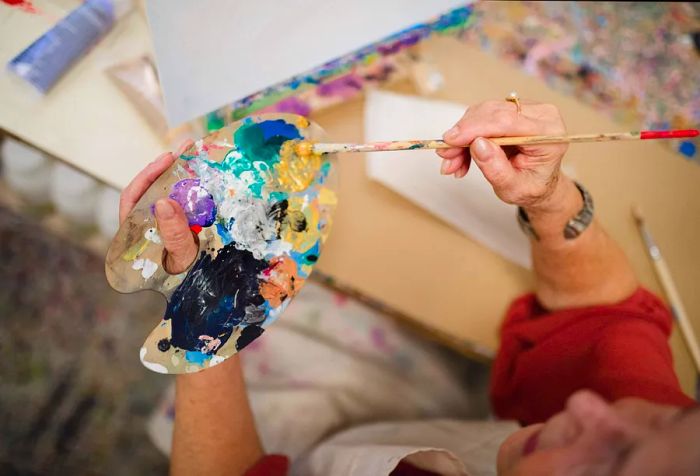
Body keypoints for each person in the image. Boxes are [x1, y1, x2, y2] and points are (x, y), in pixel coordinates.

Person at [119, 99, 699, 475]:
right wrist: (549, 200)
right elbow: (606, 318)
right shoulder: (655, 433)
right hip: (408, 423)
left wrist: (202, 312)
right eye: (668, 418)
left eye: (613, 463)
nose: (589, 407)